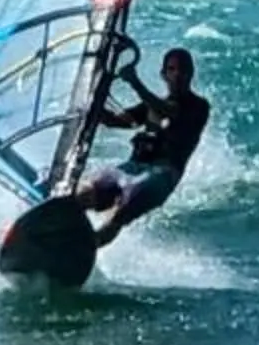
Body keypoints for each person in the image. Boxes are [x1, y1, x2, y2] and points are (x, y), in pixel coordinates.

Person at [80, 45, 211, 246]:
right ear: (163, 74)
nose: (178, 75)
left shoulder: (199, 107)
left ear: (191, 74)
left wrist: (135, 82)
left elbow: (168, 112)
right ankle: (53, 224)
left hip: (163, 175)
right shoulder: (150, 106)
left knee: (123, 208)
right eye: (172, 69)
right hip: (133, 167)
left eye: (183, 70)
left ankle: (86, 247)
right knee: (86, 193)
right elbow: (117, 120)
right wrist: (94, 100)